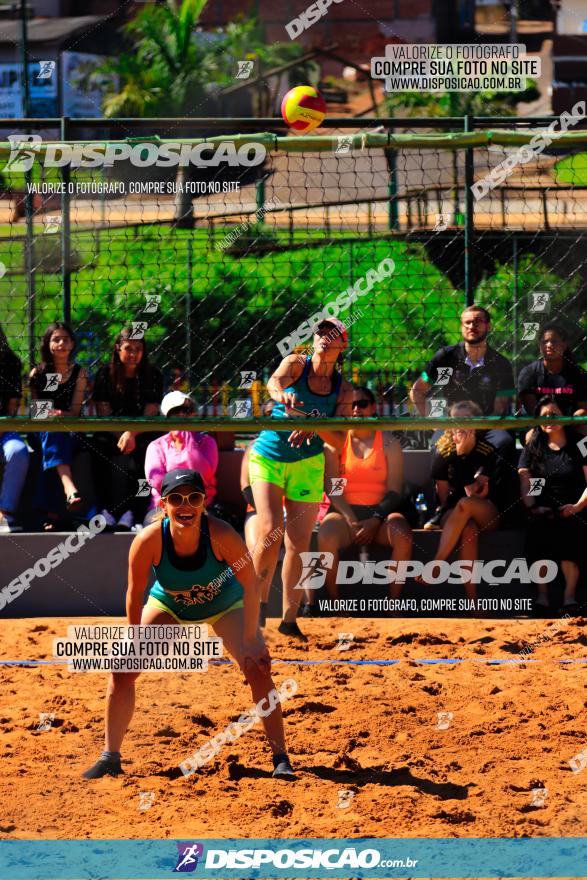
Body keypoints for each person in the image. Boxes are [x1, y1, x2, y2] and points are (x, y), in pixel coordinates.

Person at [82, 468, 295, 781]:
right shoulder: (148, 540)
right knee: (123, 668)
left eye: (193, 498)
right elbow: (134, 593)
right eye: (176, 498)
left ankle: (280, 758)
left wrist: (252, 636)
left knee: (257, 666)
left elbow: (250, 585)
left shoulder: (222, 535)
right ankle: (110, 756)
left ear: (204, 503)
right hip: (170, 604)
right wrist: (134, 637)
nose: (185, 505)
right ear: (164, 504)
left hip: (225, 605)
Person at [249, 318, 353, 641]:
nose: (324, 337)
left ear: (342, 345)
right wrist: (284, 398)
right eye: (321, 331)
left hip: (307, 463)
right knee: (270, 531)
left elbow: (338, 440)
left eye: (332, 333)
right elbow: (273, 383)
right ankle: (255, 607)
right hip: (269, 455)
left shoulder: (343, 389)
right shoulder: (296, 363)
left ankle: (289, 621)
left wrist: (314, 423)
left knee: (299, 543)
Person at [317, 386, 413, 601]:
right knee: (326, 534)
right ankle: (335, 603)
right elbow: (334, 490)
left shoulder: (389, 443)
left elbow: (395, 490)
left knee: (403, 533)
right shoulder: (335, 445)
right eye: (350, 405)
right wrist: (351, 521)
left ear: (373, 408)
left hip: (380, 515)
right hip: (346, 515)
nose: (356, 409)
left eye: (361, 404)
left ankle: (392, 604)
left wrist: (375, 520)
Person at [418, 400, 503, 602]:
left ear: (476, 423)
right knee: (468, 529)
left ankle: (436, 564)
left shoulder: (488, 450)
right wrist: (457, 455)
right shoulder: (442, 452)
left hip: (486, 512)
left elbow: (475, 495)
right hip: (455, 513)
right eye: (456, 420)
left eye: (466, 419)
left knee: (467, 504)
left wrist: (463, 455)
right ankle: (473, 601)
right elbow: (444, 497)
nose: (460, 425)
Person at [409, 304, 515, 458]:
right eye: (468, 322)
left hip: (487, 427)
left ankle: (484, 481)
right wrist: (436, 424)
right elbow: (417, 391)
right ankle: (443, 482)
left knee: (504, 442)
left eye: (478, 321)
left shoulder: (500, 363)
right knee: (439, 449)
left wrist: (478, 429)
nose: (472, 326)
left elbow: (499, 408)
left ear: (488, 326)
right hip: (452, 425)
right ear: (461, 327)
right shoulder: (446, 358)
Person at [518, 396, 587, 615]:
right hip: (543, 509)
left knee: (572, 531)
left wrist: (577, 506)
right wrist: (533, 508)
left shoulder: (581, 444)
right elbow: (526, 483)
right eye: (544, 416)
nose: (549, 419)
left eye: (554, 414)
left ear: (565, 416)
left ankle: (569, 598)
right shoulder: (533, 446)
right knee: (539, 531)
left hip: (576, 508)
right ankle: (542, 599)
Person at [92, 327, 163, 531]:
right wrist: (122, 435)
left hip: (141, 432)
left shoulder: (153, 375)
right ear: (117, 348)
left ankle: (135, 511)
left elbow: (151, 411)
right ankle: (106, 510)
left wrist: (131, 433)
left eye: (138, 349)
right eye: (128, 348)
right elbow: (103, 413)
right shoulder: (105, 374)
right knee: (98, 447)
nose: (133, 354)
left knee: (146, 452)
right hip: (112, 432)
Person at [29, 322, 87, 529]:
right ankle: (69, 487)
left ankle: (49, 516)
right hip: (41, 432)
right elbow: (37, 413)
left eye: (66, 339)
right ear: (48, 344)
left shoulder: (79, 373)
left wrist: (60, 414)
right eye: (56, 339)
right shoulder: (38, 373)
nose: (62, 343)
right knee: (53, 433)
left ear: (72, 344)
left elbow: (75, 412)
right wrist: (53, 415)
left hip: (69, 431)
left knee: (56, 440)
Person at [143, 391, 218, 526]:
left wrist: (189, 441)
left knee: (211, 525)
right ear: (166, 417)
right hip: (165, 505)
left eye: (187, 410)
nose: (182, 415)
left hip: (200, 503)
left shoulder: (207, 442)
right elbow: (157, 482)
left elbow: (204, 477)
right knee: (152, 526)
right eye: (176, 411)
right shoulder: (156, 446)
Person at [517, 322, 587, 419]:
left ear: (564, 345)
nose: (549, 345)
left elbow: (583, 408)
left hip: (572, 424)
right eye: (544, 341)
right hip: (539, 425)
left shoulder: (578, 374)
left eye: (554, 341)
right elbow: (532, 411)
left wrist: (568, 422)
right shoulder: (529, 373)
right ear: (539, 346)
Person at [0, 324, 29, 532]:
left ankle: (5, 514)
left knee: (18, 450)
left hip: (4, 429)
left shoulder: (10, 363)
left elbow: (12, 407)